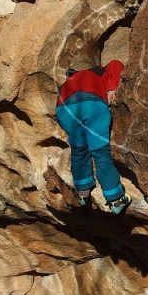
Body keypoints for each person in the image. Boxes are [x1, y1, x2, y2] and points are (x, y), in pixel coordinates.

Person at [56, 60, 132, 214]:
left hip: (64, 109)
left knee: (79, 149)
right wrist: (112, 88)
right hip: (91, 103)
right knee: (100, 152)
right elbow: (116, 64)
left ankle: (83, 193)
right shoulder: (98, 72)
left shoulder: (70, 80)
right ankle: (115, 199)